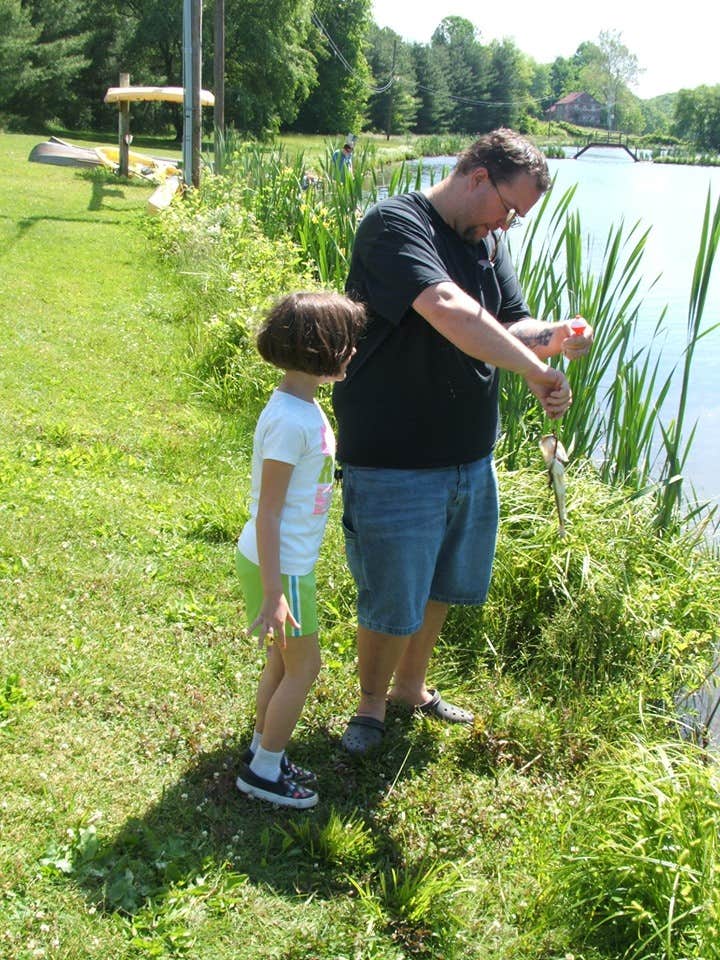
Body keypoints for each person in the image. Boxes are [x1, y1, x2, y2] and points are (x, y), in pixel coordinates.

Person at [332, 128, 594, 755]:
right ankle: (369, 708)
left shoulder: (486, 239)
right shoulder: (395, 225)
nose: (509, 223)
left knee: (446, 582)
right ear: (478, 176)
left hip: (468, 453)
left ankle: (411, 688)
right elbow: (446, 306)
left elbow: (510, 321)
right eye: (509, 207)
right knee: (392, 591)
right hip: (393, 452)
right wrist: (534, 370)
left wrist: (552, 336)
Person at [235, 291, 365, 806]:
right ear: (323, 350)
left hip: (279, 562)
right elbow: (269, 511)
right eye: (348, 343)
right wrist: (274, 593)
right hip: (281, 567)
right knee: (304, 668)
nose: (353, 352)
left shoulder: (297, 403)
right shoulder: (293, 422)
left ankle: (259, 749)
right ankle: (263, 773)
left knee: (284, 663)